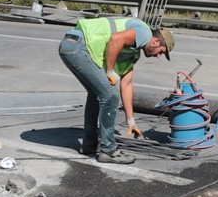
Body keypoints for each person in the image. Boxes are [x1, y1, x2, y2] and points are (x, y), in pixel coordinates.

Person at [58, 16, 174, 164]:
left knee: (96, 94)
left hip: (72, 45)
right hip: (80, 47)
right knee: (110, 95)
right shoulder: (144, 32)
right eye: (161, 52)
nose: (158, 56)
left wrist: (130, 120)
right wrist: (110, 70)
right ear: (156, 41)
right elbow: (115, 39)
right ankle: (109, 150)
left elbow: (126, 85)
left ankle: (90, 144)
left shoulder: (133, 52)